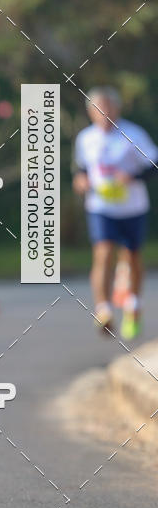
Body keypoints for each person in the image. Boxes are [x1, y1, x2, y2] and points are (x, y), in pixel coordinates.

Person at [73, 87, 157, 340]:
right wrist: (81, 180)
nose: (105, 113)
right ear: (91, 112)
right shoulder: (85, 138)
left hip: (132, 206)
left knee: (131, 256)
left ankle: (133, 305)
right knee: (104, 252)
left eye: (109, 107)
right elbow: (81, 167)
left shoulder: (133, 134)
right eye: (99, 108)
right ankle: (104, 310)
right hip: (101, 207)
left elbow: (153, 164)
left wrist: (130, 176)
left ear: (117, 109)